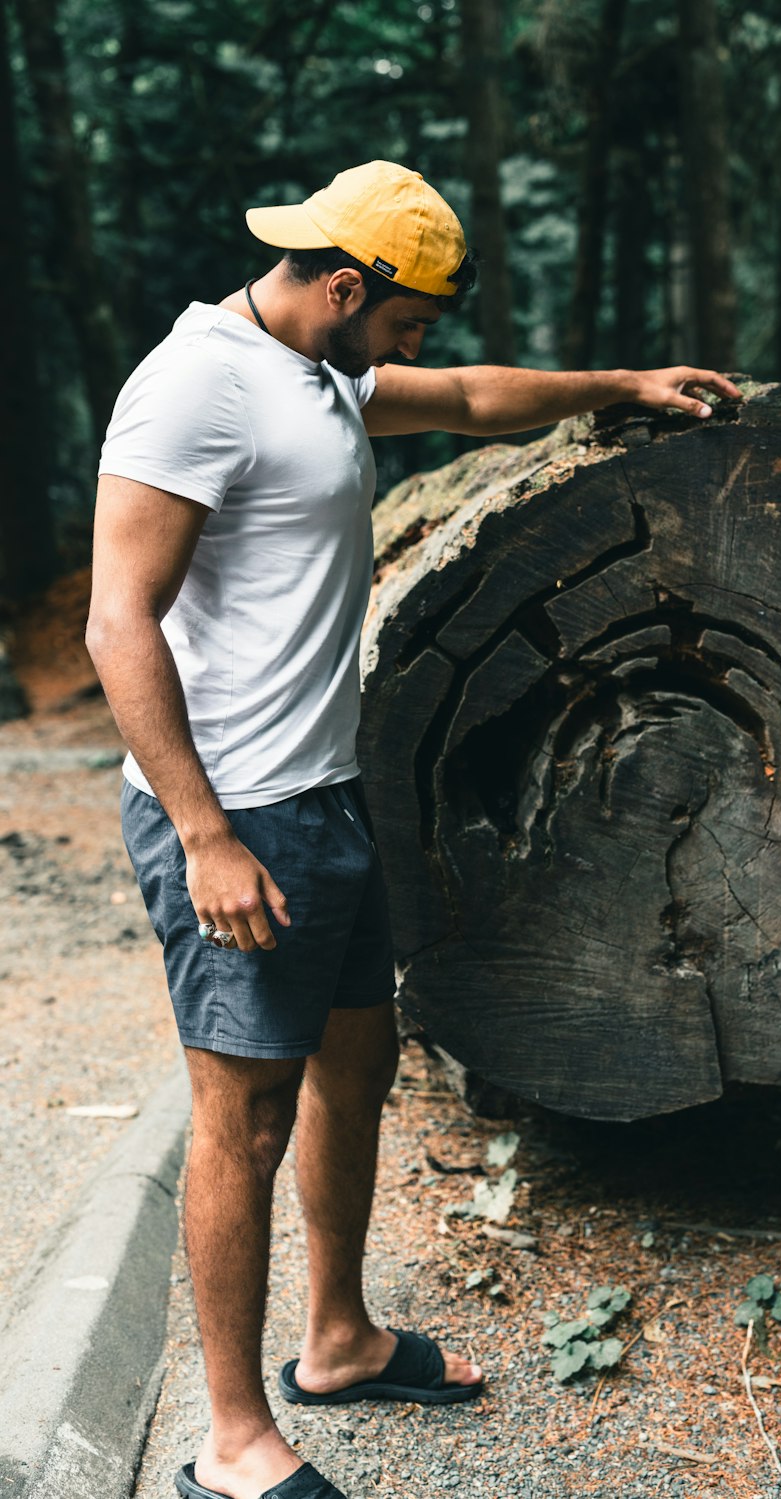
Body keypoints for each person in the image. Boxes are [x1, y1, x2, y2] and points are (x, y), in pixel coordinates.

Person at [87, 159, 743, 1499]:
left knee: (357, 1065)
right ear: (344, 286)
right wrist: (206, 836)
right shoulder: (197, 385)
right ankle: (231, 1443)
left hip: (321, 798)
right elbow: (117, 619)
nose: (413, 351)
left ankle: (335, 1339)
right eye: (404, 323)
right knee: (241, 1120)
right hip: (240, 819)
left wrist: (621, 386)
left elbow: (466, 400)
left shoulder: (316, 369)